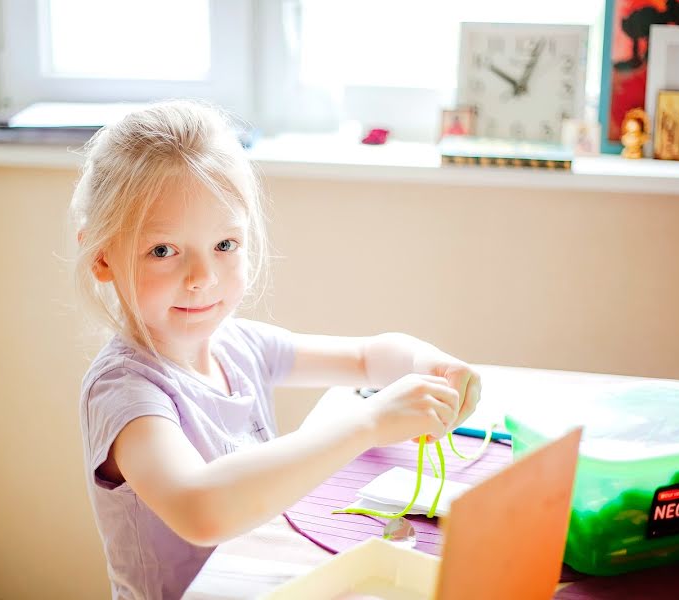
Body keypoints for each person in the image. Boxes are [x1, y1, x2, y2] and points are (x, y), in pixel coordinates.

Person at [70, 99, 481, 599]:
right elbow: (202, 509)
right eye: (163, 250)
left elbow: (368, 358)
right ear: (101, 256)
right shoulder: (126, 392)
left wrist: (429, 364)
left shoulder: (237, 344)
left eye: (225, 245)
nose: (202, 278)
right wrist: (368, 423)